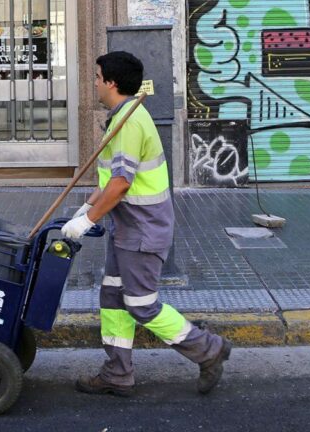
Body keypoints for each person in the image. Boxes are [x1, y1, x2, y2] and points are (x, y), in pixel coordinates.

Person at [60, 51, 232, 397]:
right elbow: (110, 179)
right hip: (127, 231)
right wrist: (87, 207)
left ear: (111, 82)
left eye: (96, 77)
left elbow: (122, 184)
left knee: (140, 305)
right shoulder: (122, 117)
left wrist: (88, 221)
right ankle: (117, 373)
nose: (94, 82)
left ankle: (208, 349)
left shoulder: (130, 122)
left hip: (142, 232)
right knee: (112, 297)